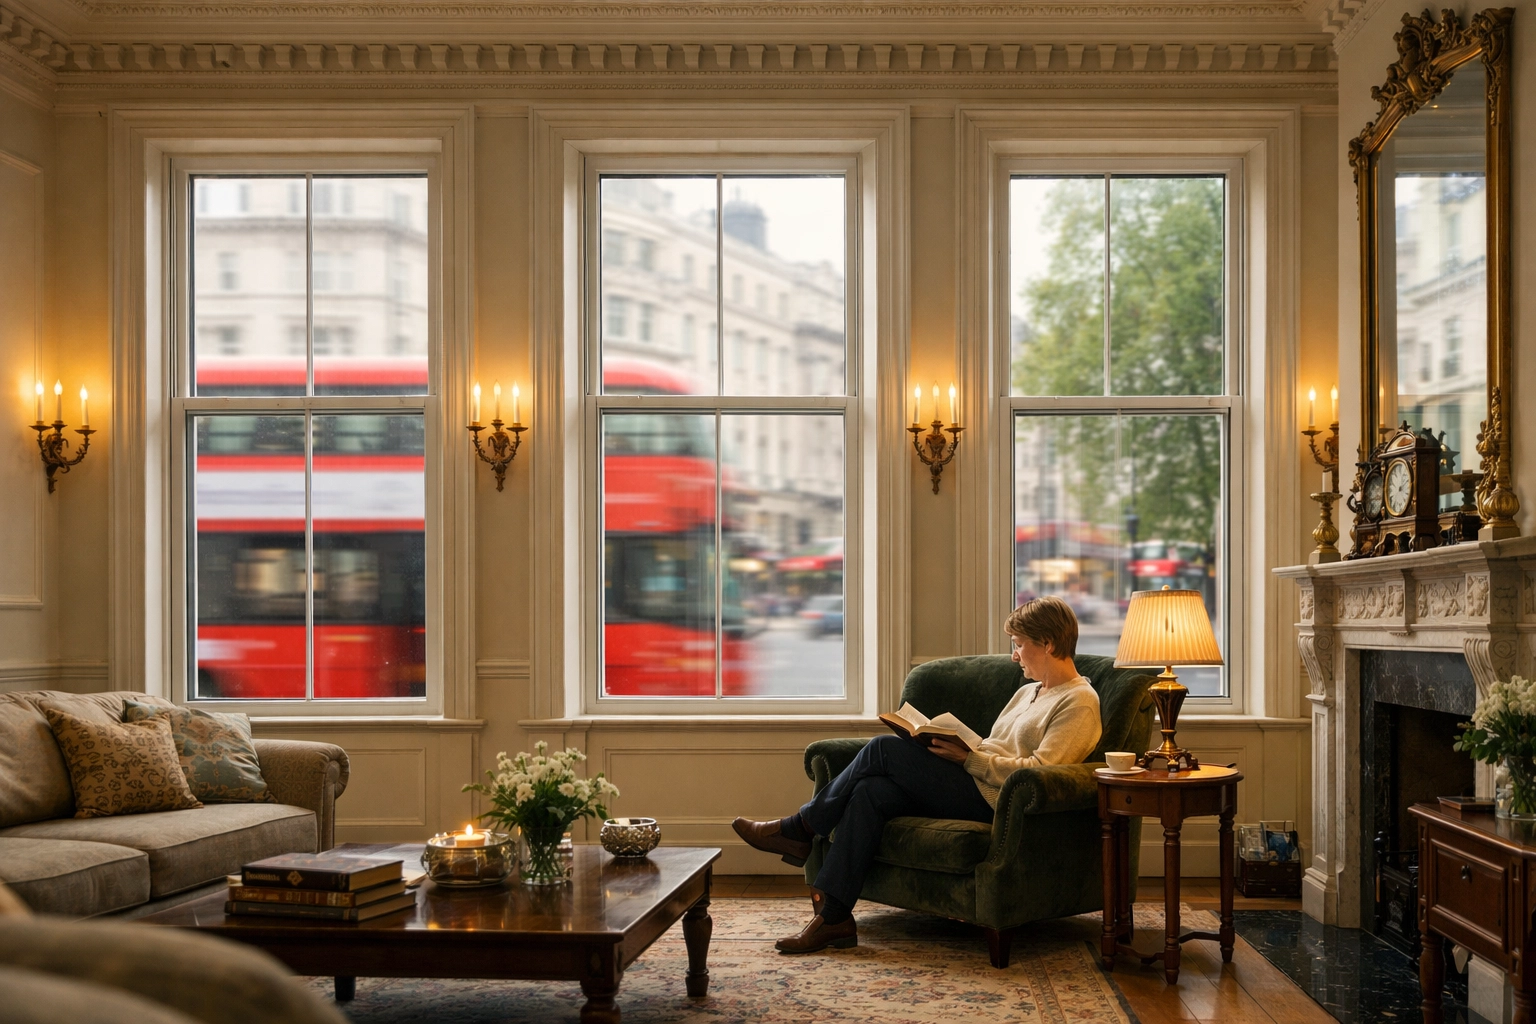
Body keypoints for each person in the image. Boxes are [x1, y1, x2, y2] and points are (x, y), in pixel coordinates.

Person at [732, 595, 1104, 953]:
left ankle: (800, 828)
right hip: (975, 781)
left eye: (1019, 644)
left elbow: (1042, 772)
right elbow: (995, 745)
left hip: (998, 802)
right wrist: (960, 748)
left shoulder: (1079, 702)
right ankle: (834, 919)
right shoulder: (1028, 693)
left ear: (1049, 643)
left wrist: (967, 761)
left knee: (883, 749)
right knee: (871, 792)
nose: (1014, 655)